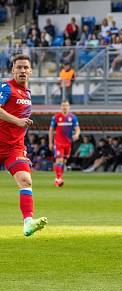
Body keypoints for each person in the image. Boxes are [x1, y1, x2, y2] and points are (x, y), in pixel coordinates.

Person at [0, 54, 48, 236]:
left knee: (26, 181)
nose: (22, 70)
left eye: (25, 68)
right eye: (18, 67)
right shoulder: (6, 87)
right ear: (12, 70)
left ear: (30, 71)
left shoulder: (27, 93)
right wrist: (18, 121)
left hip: (14, 148)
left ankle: (28, 223)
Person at [48, 100, 80, 187]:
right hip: (58, 143)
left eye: (66, 105)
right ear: (61, 107)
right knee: (59, 160)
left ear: (69, 107)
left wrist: (77, 134)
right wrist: (50, 142)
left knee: (64, 161)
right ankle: (58, 179)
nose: (65, 107)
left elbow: (77, 128)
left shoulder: (73, 117)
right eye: (63, 106)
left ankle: (59, 177)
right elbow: (51, 130)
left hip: (68, 144)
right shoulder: (56, 117)